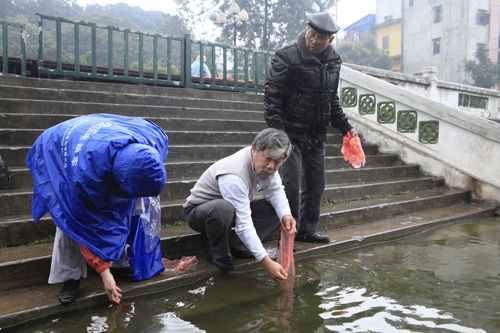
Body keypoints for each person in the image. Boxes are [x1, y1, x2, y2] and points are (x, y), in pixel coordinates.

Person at [26, 114, 169, 305]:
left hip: (102, 139)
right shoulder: (81, 180)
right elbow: (82, 221)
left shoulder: (153, 139)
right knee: (67, 220)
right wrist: (104, 274)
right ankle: (70, 276)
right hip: (57, 149)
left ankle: (120, 260)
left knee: (136, 206)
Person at [264, 11, 358, 244]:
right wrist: (279, 135)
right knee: (290, 186)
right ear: (306, 30)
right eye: (312, 34)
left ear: (331, 40)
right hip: (290, 134)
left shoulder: (333, 61)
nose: (315, 40)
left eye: (321, 38)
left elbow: (331, 99)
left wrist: (345, 126)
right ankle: (287, 235)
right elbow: (272, 99)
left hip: (316, 134)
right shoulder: (286, 57)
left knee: (316, 185)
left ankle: (307, 229)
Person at [183, 128, 296, 281]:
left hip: (231, 211)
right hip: (200, 212)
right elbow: (244, 224)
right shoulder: (234, 174)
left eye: (278, 162)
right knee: (223, 209)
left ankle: (237, 245)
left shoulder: (267, 166)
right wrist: (266, 261)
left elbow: (275, 191)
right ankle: (217, 253)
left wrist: (286, 214)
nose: (271, 166)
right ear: (255, 148)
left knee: (276, 211)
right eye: (268, 159)